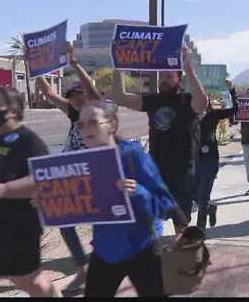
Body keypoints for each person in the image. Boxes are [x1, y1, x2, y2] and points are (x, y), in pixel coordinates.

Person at [72, 100, 179, 297]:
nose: (85, 128)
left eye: (93, 122)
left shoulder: (133, 157)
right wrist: (47, 202)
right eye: (81, 124)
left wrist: (140, 192)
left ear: (111, 125)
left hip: (143, 248)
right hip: (105, 249)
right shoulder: (79, 163)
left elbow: (164, 202)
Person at [112, 47, 209, 234]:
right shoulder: (153, 101)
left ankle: (182, 255)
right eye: (161, 76)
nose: (163, 80)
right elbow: (119, 97)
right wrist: (119, 65)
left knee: (181, 225)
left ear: (179, 80)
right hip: (155, 172)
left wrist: (188, 66)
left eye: (168, 76)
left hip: (182, 173)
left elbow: (202, 103)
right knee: (148, 218)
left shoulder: (187, 101)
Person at [36, 42, 101, 293]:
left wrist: (74, 64)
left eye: (78, 96)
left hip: (95, 173)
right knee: (63, 219)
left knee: (99, 222)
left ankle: (98, 266)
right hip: (72, 175)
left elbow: (93, 94)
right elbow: (52, 96)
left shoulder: (96, 110)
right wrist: (36, 70)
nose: (75, 101)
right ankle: (84, 265)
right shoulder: (74, 113)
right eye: (72, 98)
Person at [0, 88, 61, 297]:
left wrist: (3, 190)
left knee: (29, 282)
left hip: (18, 229)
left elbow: (45, 179)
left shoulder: (29, 141)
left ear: (11, 111)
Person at [196, 91, 238, 230]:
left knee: (203, 196)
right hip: (194, 161)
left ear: (207, 103)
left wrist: (233, 94)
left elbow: (234, 110)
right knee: (195, 194)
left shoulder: (214, 115)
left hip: (210, 160)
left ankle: (200, 230)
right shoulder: (189, 117)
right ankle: (211, 208)